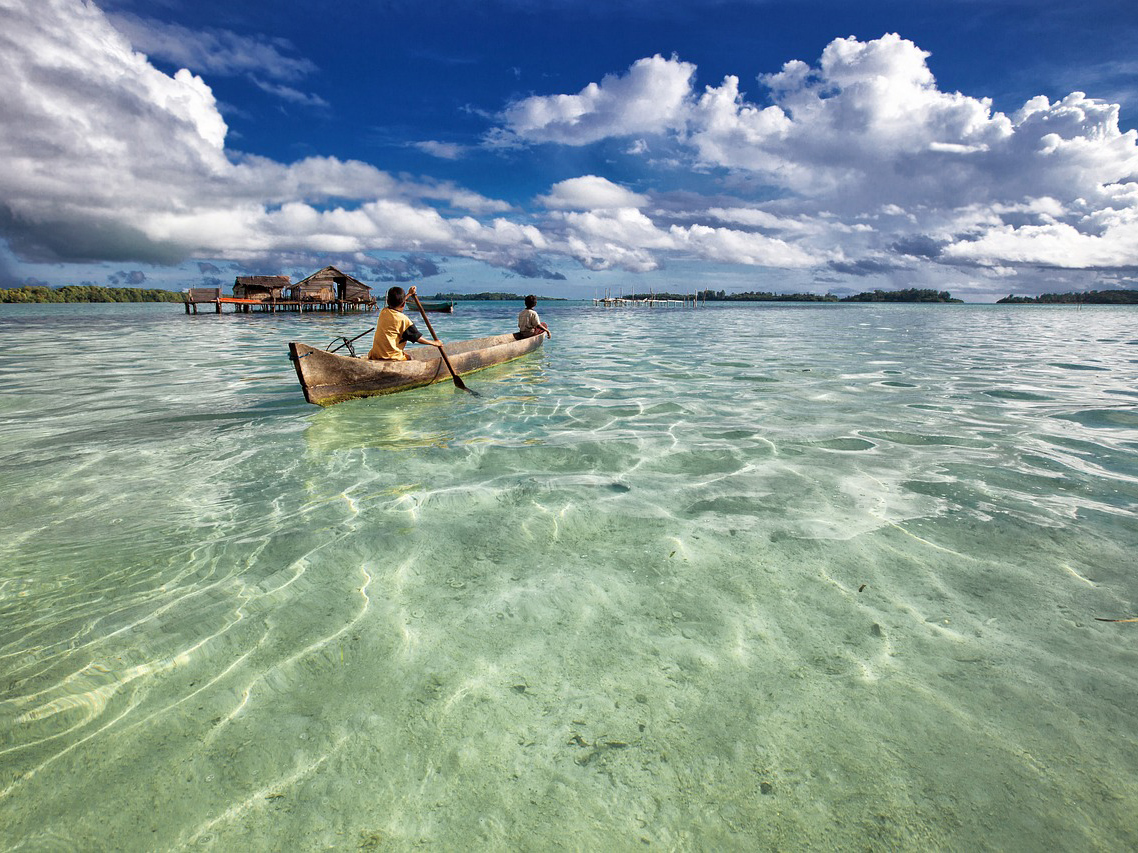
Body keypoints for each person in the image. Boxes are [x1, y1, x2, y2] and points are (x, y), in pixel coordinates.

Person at [367, 285, 443, 360]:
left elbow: (399, 303)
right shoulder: (403, 319)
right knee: (410, 358)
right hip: (390, 357)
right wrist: (435, 343)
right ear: (404, 304)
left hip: (375, 354)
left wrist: (409, 294)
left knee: (404, 354)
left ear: (387, 301)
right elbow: (417, 338)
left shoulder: (384, 311)